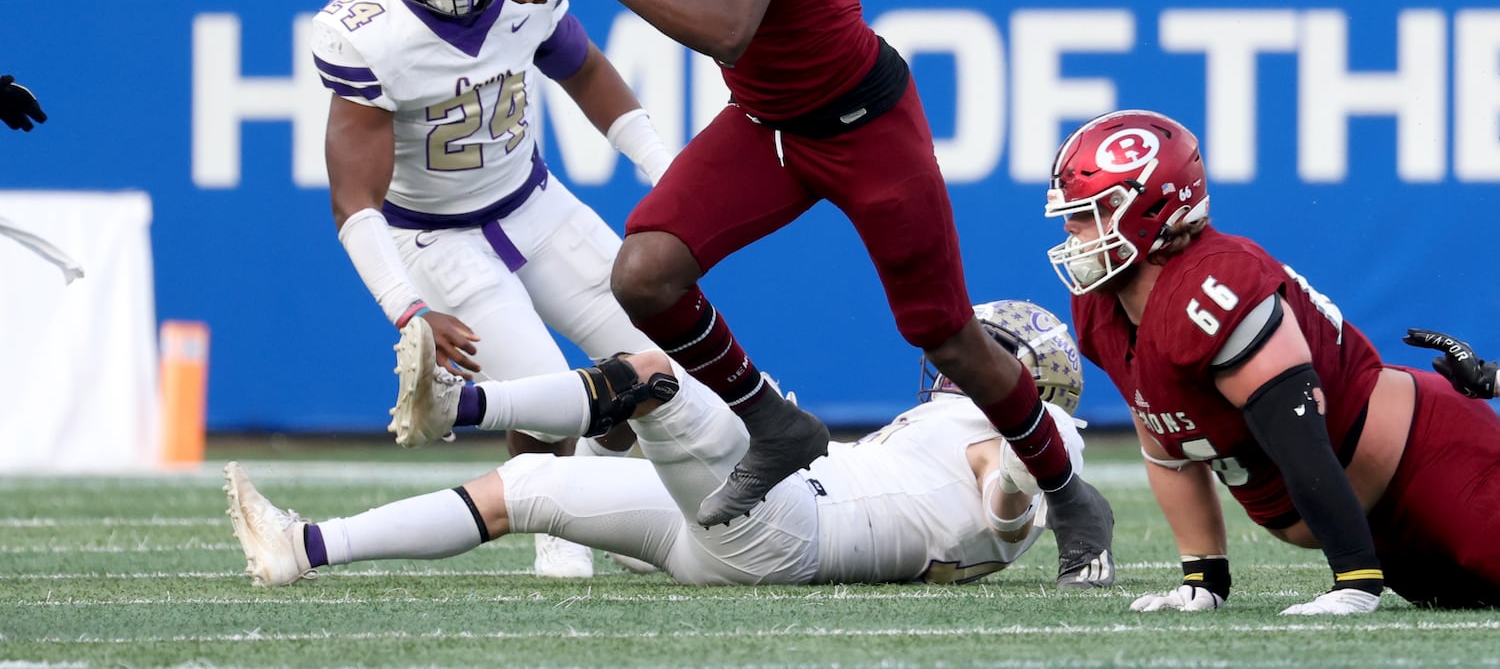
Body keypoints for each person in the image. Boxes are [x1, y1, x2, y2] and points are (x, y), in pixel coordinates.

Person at [498, 0, 1114, 589]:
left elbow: (727, 26)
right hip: (767, 128)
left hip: (864, 125)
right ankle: (772, 422)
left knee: (945, 336)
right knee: (643, 272)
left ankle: (1070, 495)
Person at [311, 0, 674, 578]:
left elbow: (586, 71)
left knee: (665, 363)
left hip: (535, 203)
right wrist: (408, 309)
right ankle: (560, 536)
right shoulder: (366, 31)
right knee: (546, 398)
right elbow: (355, 199)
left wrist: (667, 170)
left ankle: (610, 470)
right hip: (436, 236)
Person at [225, 299, 1088, 589]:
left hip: (790, 528)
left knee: (653, 371)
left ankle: (457, 403)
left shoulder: (1029, 435)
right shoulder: (979, 431)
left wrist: (1016, 476)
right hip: (746, 537)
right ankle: (306, 548)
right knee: (524, 485)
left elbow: (1003, 500)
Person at [1042, 108, 1500, 613]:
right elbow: (1165, 445)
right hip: (1379, 524)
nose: (1072, 226)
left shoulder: (1216, 286)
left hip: (1434, 467)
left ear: (1155, 209)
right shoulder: (1101, 306)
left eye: (1092, 210)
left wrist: (1354, 578)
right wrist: (1203, 578)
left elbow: (1298, 431)